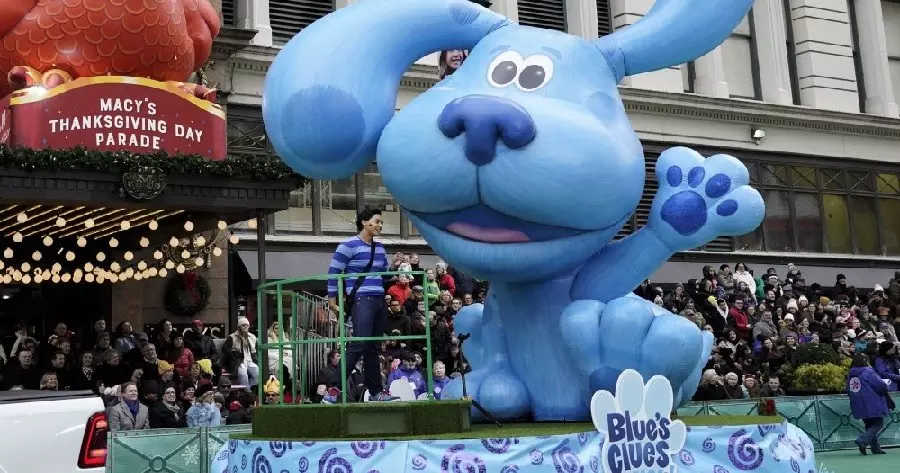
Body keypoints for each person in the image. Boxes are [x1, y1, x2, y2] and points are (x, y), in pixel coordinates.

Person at [326, 209, 397, 402]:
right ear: (364, 222)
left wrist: (394, 266)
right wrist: (332, 301)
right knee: (359, 343)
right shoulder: (347, 245)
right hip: (361, 299)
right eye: (377, 221)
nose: (380, 225)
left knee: (373, 347)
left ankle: (375, 392)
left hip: (379, 299)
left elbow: (384, 276)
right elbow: (333, 273)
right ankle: (334, 388)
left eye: (381, 222)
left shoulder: (380, 248)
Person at [847, 354, 891, 455]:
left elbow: (848, 389)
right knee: (878, 424)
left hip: (858, 402)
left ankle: (875, 448)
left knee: (869, 425)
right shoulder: (868, 371)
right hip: (872, 402)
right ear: (865, 361)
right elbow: (880, 385)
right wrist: (887, 387)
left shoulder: (850, 373)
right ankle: (862, 440)